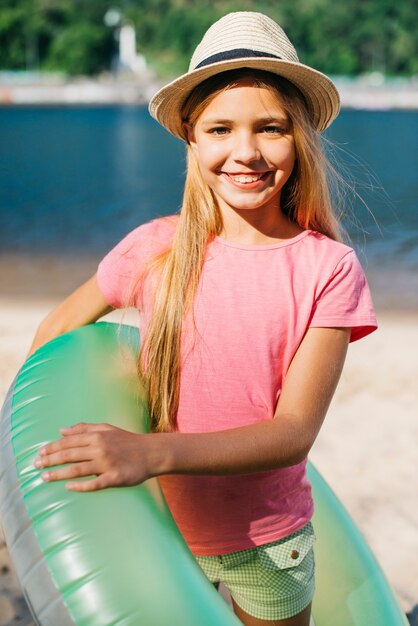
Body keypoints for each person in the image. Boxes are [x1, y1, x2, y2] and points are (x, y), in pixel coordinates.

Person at [30, 12, 377, 626]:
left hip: (269, 540)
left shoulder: (329, 267)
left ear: (299, 138)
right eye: (220, 128)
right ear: (191, 138)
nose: (245, 152)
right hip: (151, 520)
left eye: (270, 129)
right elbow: (58, 332)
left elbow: (293, 432)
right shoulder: (153, 247)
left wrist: (150, 452)